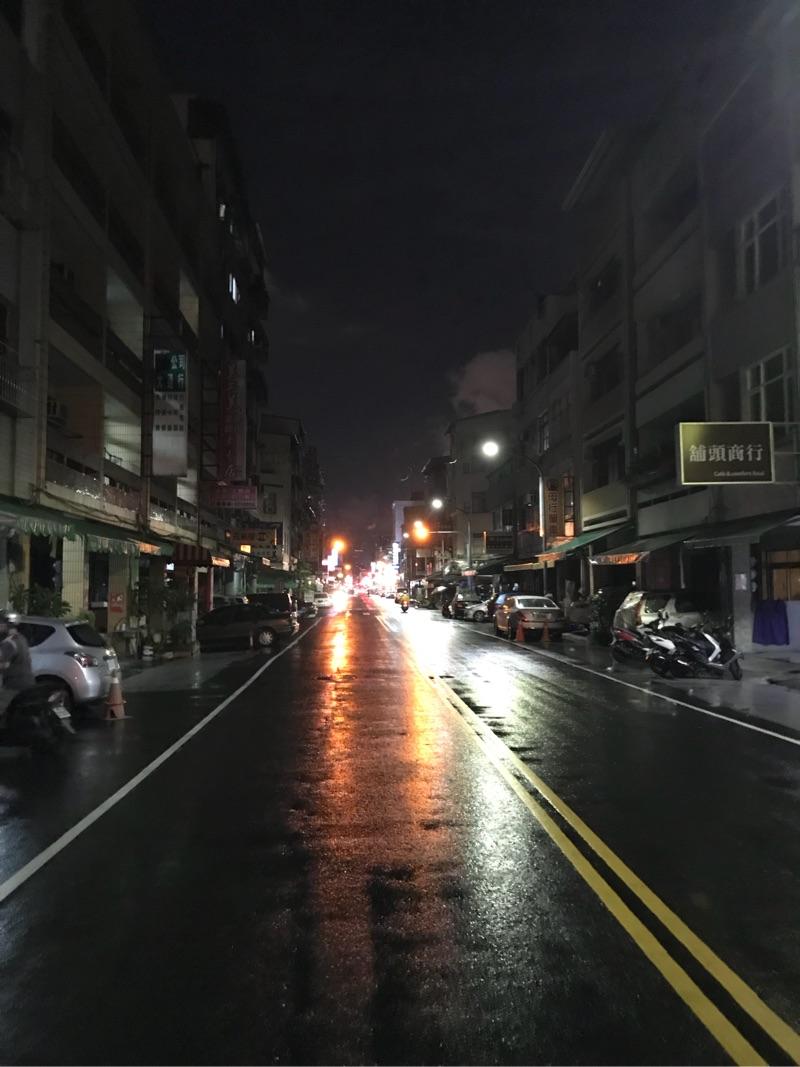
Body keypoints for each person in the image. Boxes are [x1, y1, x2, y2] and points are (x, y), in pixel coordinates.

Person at [0, 611, 35, 718]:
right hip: (29, 683)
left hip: (14, 686)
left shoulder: (8, 643)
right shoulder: (21, 638)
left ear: (6, 625)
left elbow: (4, 664)